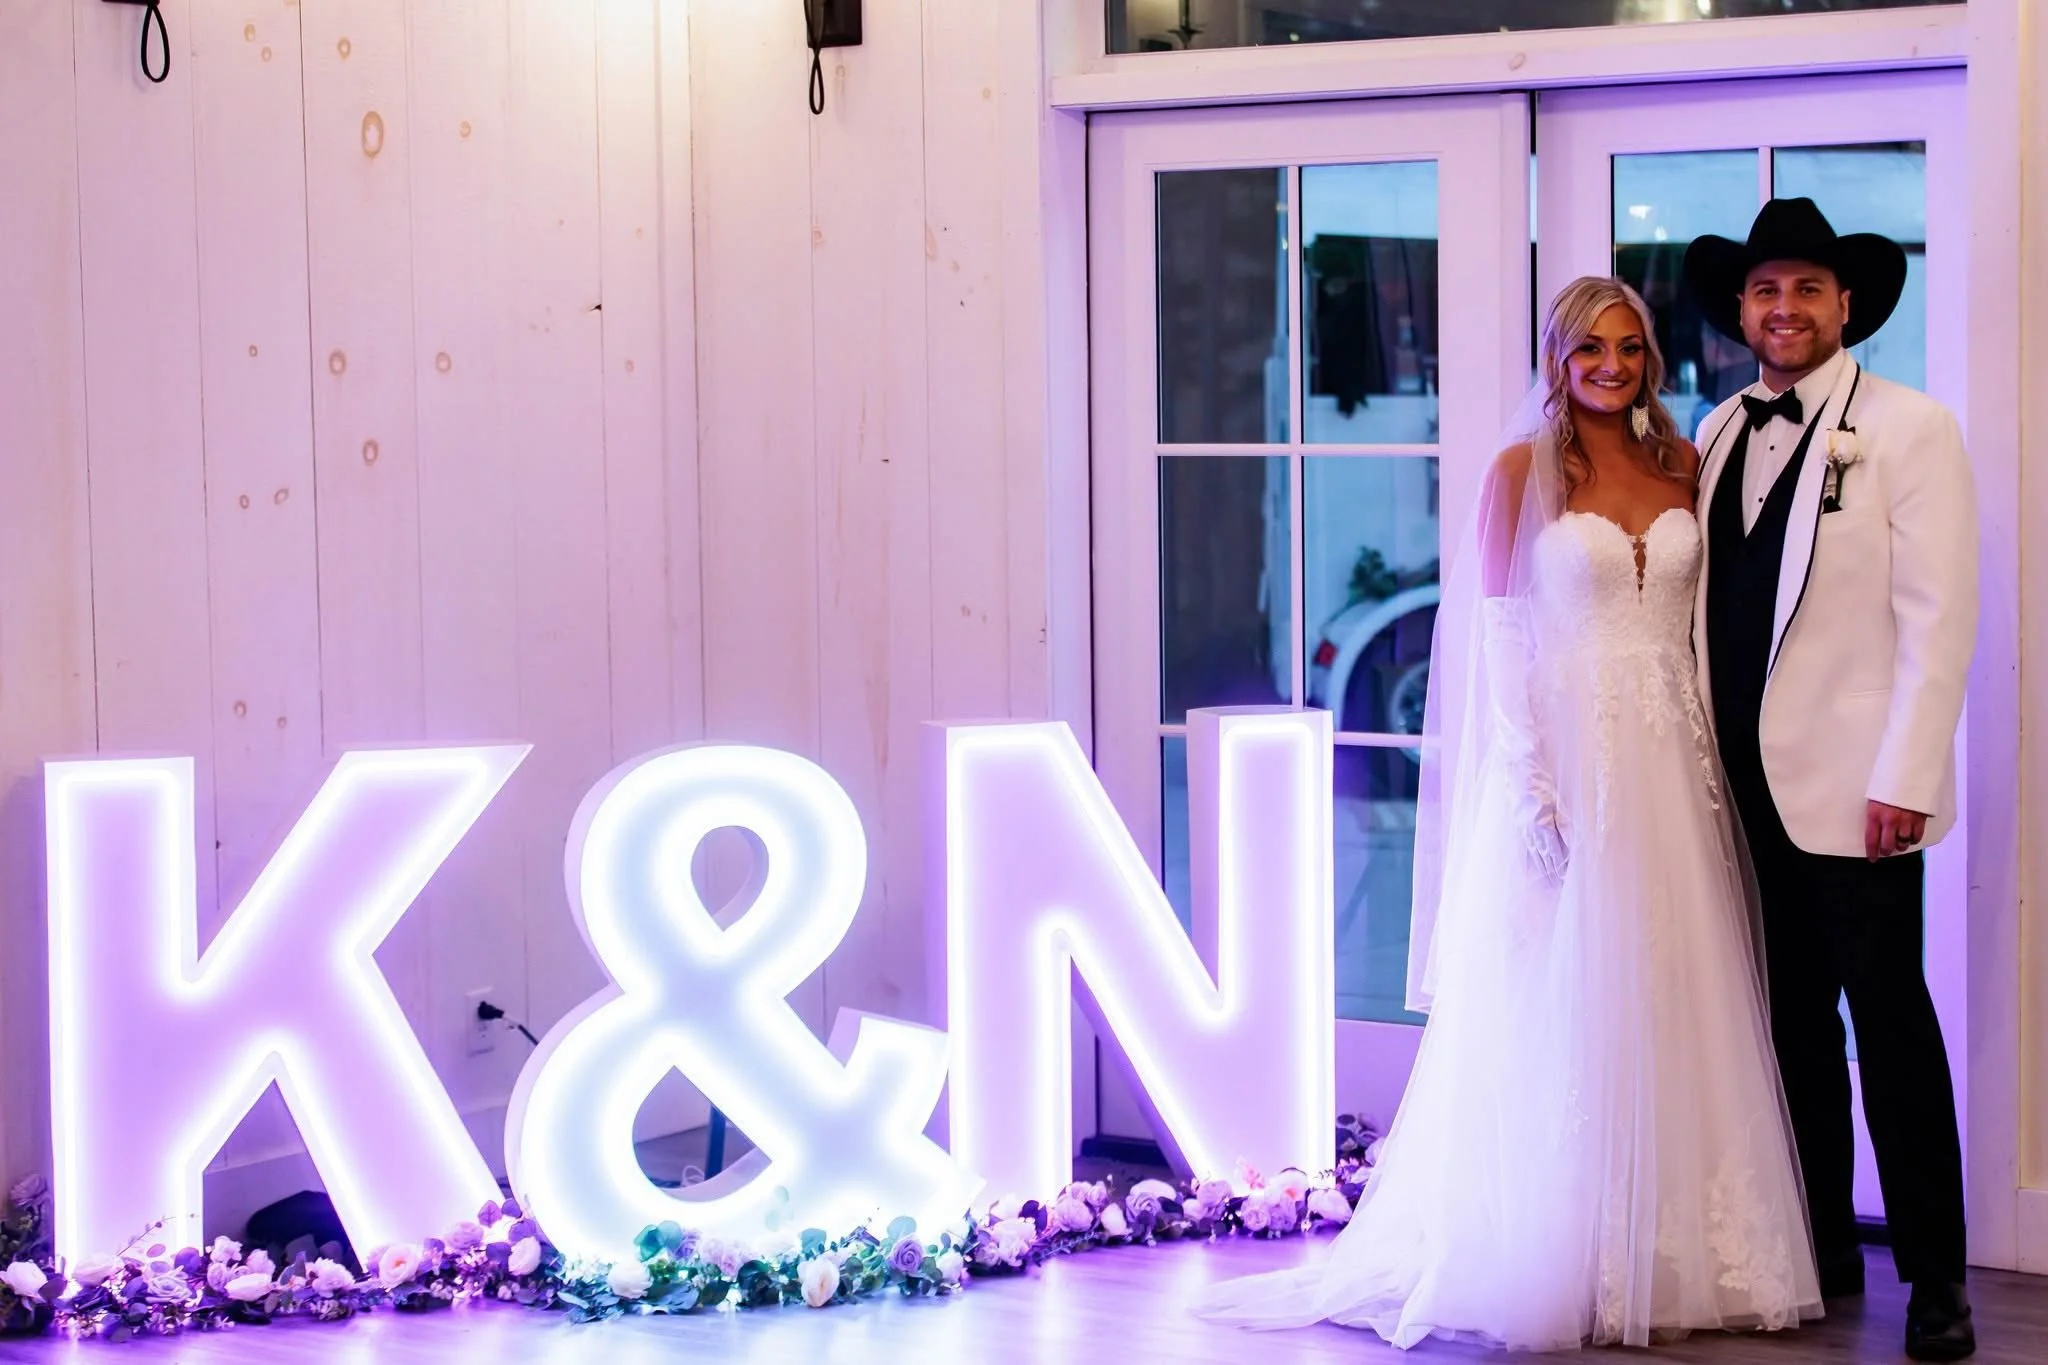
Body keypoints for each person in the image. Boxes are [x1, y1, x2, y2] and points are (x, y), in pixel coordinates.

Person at [1192, 277, 1821, 1350]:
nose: (1611, 368)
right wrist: (1531, 785)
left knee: (1673, 992)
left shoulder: (1681, 463)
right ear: (1557, 359)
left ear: (1648, 358)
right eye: (1589, 352)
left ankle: (1667, 1252)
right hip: (1565, 760)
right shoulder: (1517, 472)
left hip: (1670, 762)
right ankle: (1563, 1246)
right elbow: (1496, 637)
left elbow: (1700, 631)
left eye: (1628, 349)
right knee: (1561, 1003)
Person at [1682, 198, 1979, 1363]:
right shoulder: (1711, 429)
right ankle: (1814, 1245)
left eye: (1805, 288)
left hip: (1859, 791)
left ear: (1844, 304)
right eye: (1764, 290)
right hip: (1736, 789)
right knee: (1787, 1030)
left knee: (1890, 1029)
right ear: (1740, 311)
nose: (1784, 308)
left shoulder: (1907, 430)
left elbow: (1937, 621)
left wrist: (1905, 773)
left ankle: (1937, 1279)